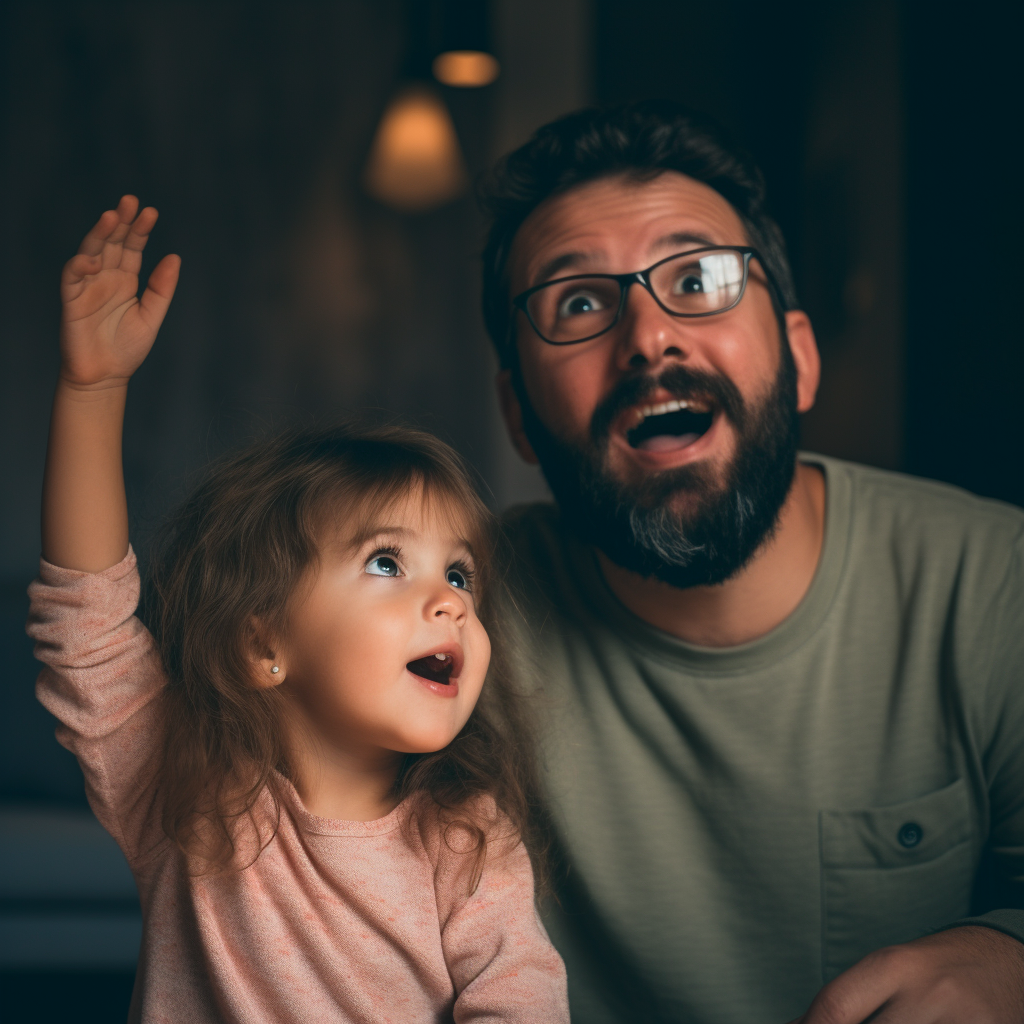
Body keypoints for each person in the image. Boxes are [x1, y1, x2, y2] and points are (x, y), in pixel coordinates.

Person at [480, 101, 1024, 1023]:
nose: (649, 337)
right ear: (518, 418)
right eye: (578, 302)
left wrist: (1012, 956)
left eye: (699, 279)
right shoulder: (448, 614)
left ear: (801, 358)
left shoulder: (996, 585)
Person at [28, 196, 569, 1023]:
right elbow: (87, 622)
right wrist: (93, 389)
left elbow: (521, 1000)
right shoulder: (185, 794)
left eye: (460, 576)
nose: (450, 604)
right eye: (388, 562)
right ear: (263, 645)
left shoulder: (467, 840)